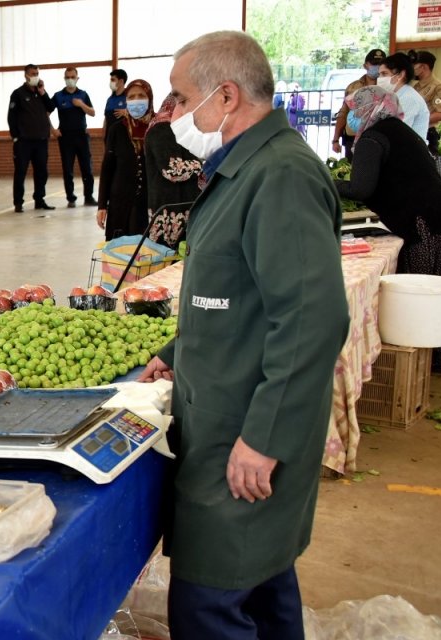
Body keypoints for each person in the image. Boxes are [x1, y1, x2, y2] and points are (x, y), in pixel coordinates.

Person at [140, 31, 349, 639]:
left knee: (211, 601)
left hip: (245, 432)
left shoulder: (278, 175)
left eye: (181, 99)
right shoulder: (243, 167)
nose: (172, 115)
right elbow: (234, 296)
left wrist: (263, 437)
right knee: (261, 581)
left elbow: (312, 318)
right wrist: (175, 354)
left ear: (226, 96)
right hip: (222, 412)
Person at [335, 86, 441, 278]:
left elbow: (360, 189)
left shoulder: (372, 138)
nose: (352, 115)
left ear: (369, 107)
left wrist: (325, 183)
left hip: (422, 226)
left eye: (356, 108)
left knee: (420, 289)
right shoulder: (400, 130)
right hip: (438, 219)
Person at [143, 95, 203, 249]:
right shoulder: (162, 128)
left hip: (182, 205)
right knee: (169, 260)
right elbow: (172, 169)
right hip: (170, 209)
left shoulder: (182, 129)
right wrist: (204, 164)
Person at [97, 79, 153, 240]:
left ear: (149, 98)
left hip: (149, 203)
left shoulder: (158, 127)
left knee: (147, 255)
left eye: (141, 95)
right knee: (120, 254)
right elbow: (107, 167)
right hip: (120, 201)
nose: (136, 100)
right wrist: (102, 205)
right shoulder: (117, 128)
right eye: (131, 97)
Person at [7, 64, 56, 212]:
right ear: (26, 75)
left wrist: (43, 92)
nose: (35, 76)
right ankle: (18, 202)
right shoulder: (18, 94)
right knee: (21, 171)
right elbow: (11, 117)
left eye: (37, 73)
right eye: (33, 73)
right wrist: (15, 137)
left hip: (41, 141)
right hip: (24, 141)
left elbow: (51, 107)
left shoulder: (40, 93)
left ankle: (39, 200)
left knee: (42, 171)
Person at [53, 67, 96, 207]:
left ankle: (89, 196)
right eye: (67, 77)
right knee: (67, 168)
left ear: (77, 78)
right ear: (64, 78)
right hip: (65, 137)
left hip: (81, 136)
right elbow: (45, 113)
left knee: (87, 168)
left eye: (72, 77)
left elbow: (92, 112)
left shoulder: (83, 95)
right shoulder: (58, 96)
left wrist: (81, 104)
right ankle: (70, 198)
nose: (70, 79)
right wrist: (52, 129)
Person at [333, 48, 384, 159]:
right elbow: (343, 113)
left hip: (378, 139)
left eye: (381, 64)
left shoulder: (388, 87)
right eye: (374, 64)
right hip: (353, 138)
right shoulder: (353, 87)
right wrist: (335, 139)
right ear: (365, 66)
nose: (378, 67)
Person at [380, 52, 430, 142]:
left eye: (384, 74)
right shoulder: (393, 96)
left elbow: (398, 132)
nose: (379, 78)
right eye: (379, 74)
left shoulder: (409, 98)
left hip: (410, 152)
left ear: (400, 74)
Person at [411, 51, 441, 152]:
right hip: (415, 131)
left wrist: (420, 120)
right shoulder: (416, 86)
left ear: (423, 67)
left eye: (414, 65)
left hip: (428, 133)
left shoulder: (439, 87)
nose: (412, 68)